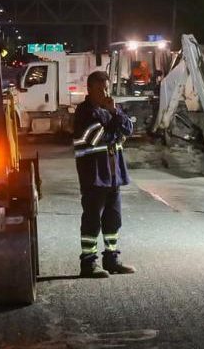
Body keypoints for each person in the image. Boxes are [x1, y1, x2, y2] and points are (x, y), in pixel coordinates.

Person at [72, 70, 136, 278]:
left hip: (113, 174)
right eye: (100, 89)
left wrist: (116, 114)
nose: (105, 92)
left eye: (107, 88)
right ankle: (88, 264)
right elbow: (100, 137)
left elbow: (128, 129)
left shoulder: (110, 109)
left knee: (113, 219)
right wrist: (117, 132)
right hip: (94, 175)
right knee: (92, 219)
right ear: (89, 89)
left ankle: (112, 259)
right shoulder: (84, 112)